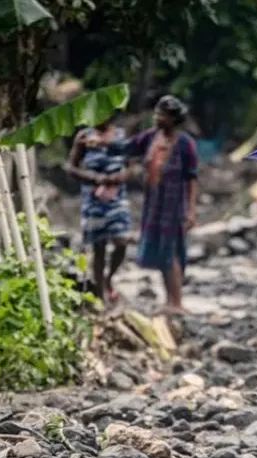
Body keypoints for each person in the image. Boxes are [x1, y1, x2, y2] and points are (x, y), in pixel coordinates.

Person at [126, 95, 199, 315]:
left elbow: (192, 179)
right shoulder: (150, 137)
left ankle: (176, 302)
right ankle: (169, 300)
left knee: (172, 252)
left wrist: (191, 210)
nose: (158, 117)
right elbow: (127, 148)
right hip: (154, 203)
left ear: (173, 119)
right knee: (159, 251)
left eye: (163, 115)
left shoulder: (186, 144)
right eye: (157, 113)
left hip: (174, 205)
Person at [65, 118, 133, 304]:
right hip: (93, 198)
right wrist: (95, 179)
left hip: (116, 197)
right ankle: (100, 293)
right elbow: (71, 167)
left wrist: (117, 178)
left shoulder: (121, 136)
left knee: (122, 240)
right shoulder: (84, 137)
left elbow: (131, 165)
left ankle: (109, 278)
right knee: (99, 246)